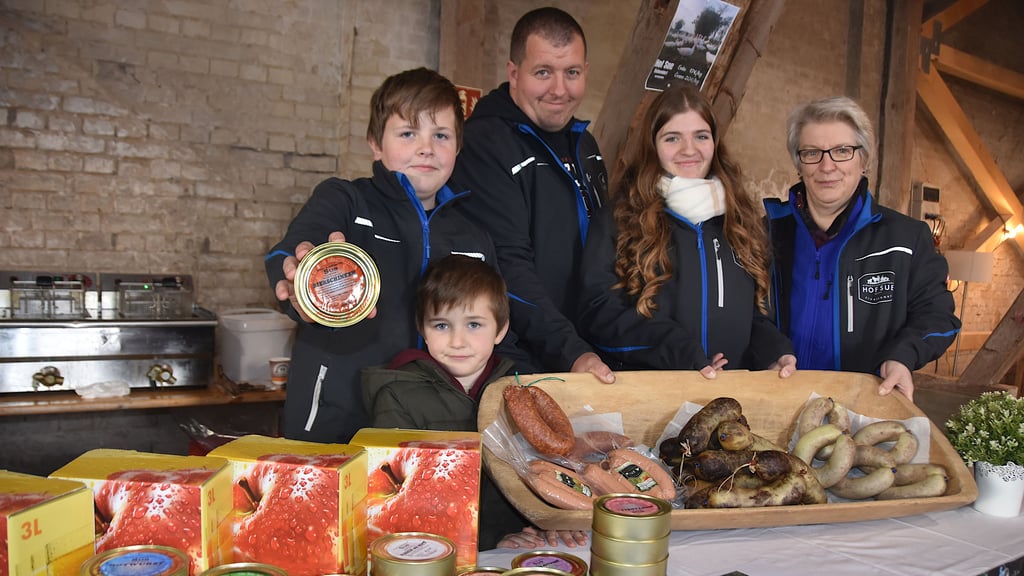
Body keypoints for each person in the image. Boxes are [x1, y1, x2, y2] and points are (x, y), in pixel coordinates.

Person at [265, 67, 506, 443]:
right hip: (333, 421)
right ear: (375, 143)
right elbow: (288, 252)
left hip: (430, 431)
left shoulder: (474, 236)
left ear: (458, 146)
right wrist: (296, 281)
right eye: (408, 133)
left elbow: (492, 324)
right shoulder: (343, 200)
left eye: (441, 135)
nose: (426, 148)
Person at [360, 254, 588, 550]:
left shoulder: (522, 392)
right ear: (421, 329)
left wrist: (554, 521)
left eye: (474, 325)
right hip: (438, 551)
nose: (458, 341)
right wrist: (488, 539)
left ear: (501, 329)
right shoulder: (397, 395)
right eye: (441, 325)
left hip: (522, 543)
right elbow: (395, 500)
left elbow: (543, 473)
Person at [577, 86, 796, 377]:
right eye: (672, 138)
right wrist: (677, 349)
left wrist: (774, 351)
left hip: (730, 398)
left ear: (715, 142)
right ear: (652, 145)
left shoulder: (741, 223)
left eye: (701, 136)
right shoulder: (619, 219)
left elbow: (755, 316)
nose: (689, 150)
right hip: (650, 397)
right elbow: (598, 312)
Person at [452, 7, 614, 384]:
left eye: (571, 73)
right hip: (521, 363)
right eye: (543, 72)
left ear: (585, 72)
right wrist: (571, 350)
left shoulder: (585, 146)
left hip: (585, 355)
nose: (559, 89)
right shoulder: (484, 144)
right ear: (514, 73)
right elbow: (506, 268)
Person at [764, 96, 960, 401]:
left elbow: (938, 316)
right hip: (776, 397)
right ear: (798, 163)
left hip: (862, 407)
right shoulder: (765, 233)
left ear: (863, 159)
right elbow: (746, 312)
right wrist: (770, 350)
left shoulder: (906, 239)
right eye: (812, 152)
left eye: (842, 151)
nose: (827, 166)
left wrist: (903, 356)